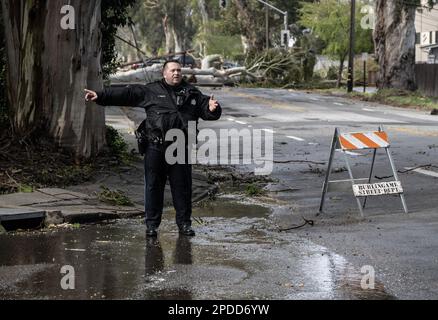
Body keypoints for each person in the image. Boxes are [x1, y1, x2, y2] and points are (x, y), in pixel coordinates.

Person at [84, 60, 222, 237]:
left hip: (180, 148)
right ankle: (152, 226)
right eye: (172, 70)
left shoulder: (192, 93)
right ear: (164, 73)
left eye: (179, 70)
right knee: (153, 187)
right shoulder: (151, 90)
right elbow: (127, 93)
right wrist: (100, 95)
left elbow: (208, 110)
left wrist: (213, 109)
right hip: (156, 147)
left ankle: (184, 225)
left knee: (182, 188)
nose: (176, 73)